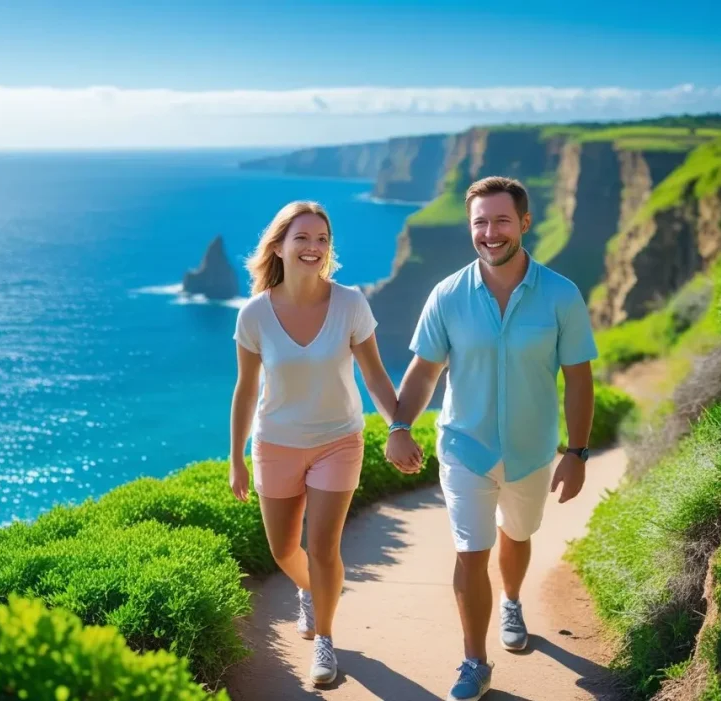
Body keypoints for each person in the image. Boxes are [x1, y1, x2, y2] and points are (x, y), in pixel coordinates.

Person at [384, 176, 598, 701]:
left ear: (524, 223)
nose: (490, 232)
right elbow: (424, 371)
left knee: (517, 535)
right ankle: (474, 662)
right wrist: (398, 426)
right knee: (470, 552)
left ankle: (512, 601)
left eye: (501, 220)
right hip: (465, 448)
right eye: (480, 222)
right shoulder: (447, 295)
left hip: (531, 451)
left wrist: (576, 452)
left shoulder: (561, 295)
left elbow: (579, 378)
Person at [228, 200, 410, 686]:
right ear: (279, 247)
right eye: (302, 238)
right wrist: (236, 458)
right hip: (275, 444)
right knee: (284, 550)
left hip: (338, 441)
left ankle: (325, 640)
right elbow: (245, 390)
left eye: (322, 239)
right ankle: (311, 590)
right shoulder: (254, 315)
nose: (314, 247)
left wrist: (399, 426)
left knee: (324, 547)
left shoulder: (350, 303)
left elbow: (375, 375)